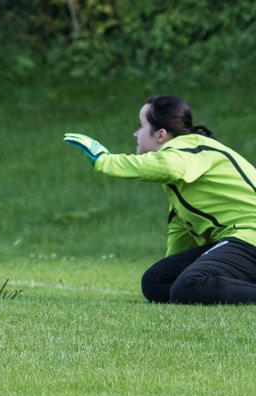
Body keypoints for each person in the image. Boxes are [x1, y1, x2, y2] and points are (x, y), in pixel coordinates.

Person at [64, 95, 256, 304]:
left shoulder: (190, 149)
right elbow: (180, 231)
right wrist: (175, 267)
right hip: (241, 239)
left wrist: (104, 160)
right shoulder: (180, 180)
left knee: (189, 285)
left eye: (141, 126)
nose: (135, 133)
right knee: (156, 282)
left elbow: (167, 166)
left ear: (161, 134)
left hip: (249, 236)